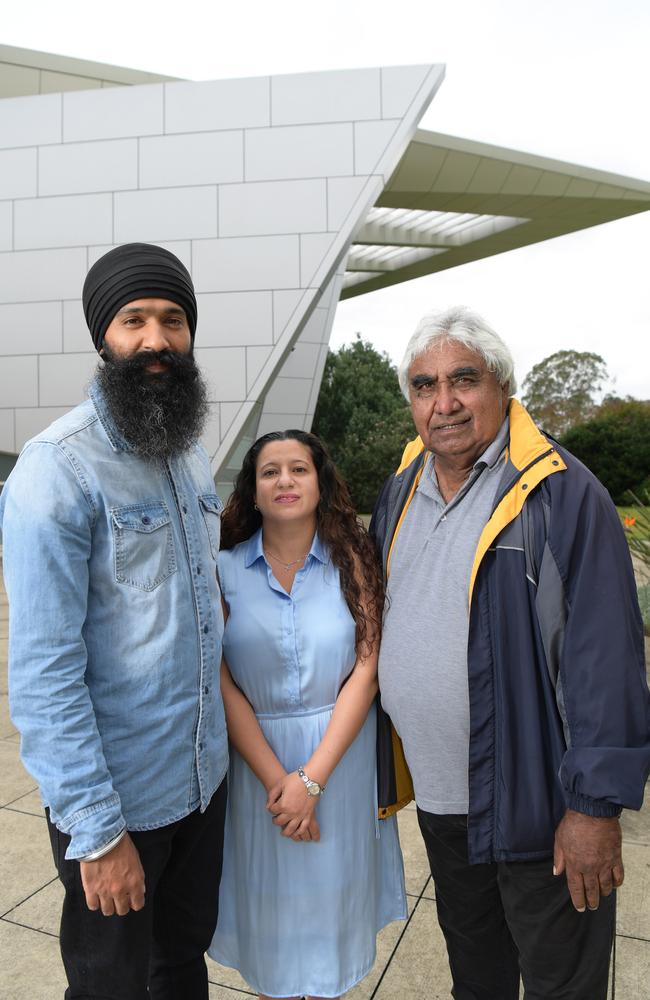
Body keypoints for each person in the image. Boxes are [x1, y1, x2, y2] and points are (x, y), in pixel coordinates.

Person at [371, 306, 650, 1000]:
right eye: (424, 385)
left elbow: (606, 660)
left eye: (463, 380)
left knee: (563, 986)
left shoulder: (560, 493)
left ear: (501, 386)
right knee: (479, 981)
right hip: (443, 805)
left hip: (540, 809)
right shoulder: (402, 487)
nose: (445, 403)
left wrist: (594, 809)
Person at [0, 243, 229, 1000]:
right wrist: (97, 835)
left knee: (179, 967)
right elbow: (42, 673)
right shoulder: (55, 470)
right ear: (103, 336)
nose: (156, 340)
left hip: (200, 785)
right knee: (110, 987)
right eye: (134, 320)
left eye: (173, 320)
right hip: (117, 804)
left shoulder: (190, 452)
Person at [208, 429, 407, 999]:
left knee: (330, 924)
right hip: (258, 773)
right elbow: (224, 685)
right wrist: (283, 785)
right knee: (273, 927)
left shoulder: (355, 561)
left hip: (340, 762)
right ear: (253, 489)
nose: (285, 481)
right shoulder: (221, 569)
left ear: (321, 482)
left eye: (299, 468)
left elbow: (366, 672)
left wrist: (312, 780)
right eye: (270, 471)